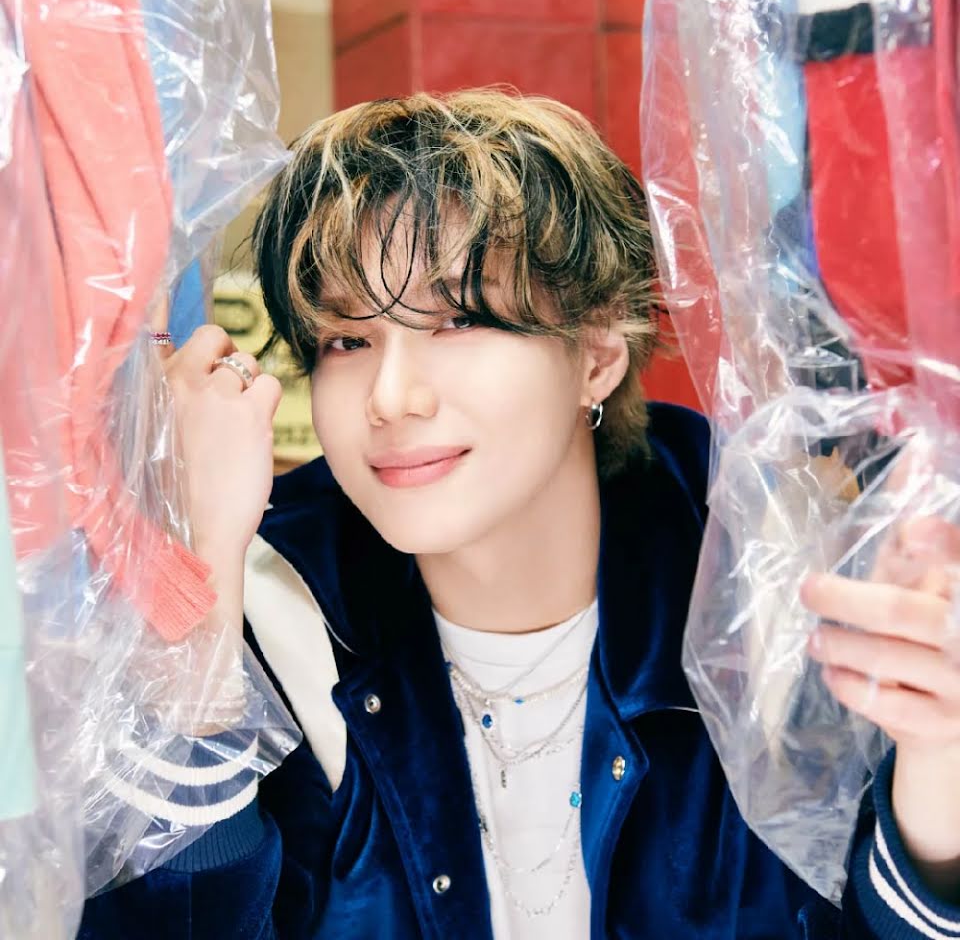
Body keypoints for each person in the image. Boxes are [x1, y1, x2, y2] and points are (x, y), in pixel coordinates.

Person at [79, 89, 960, 939]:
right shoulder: (277, 607)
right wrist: (199, 583)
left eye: (458, 321)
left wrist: (939, 761)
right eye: (348, 340)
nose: (390, 397)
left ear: (597, 356)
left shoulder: (764, 578)